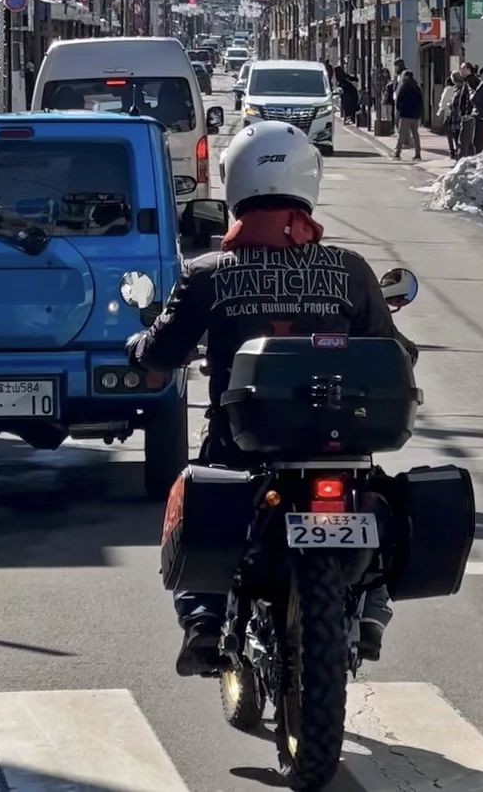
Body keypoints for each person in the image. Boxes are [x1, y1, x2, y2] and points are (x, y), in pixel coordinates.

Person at [127, 120, 416, 676]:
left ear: (233, 184)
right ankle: (373, 609)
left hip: (243, 442)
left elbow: (161, 353)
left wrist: (139, 348)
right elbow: (394, 350)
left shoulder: (210, 274)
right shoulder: (350, 271)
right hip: (337, 444)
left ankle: (205, 622)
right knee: (378, 501)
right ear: (310, 182)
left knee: (202, 503)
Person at [393, 69, 423, 161]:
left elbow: (398, 101)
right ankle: (418, 154)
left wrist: (399, 112)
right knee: (415, 134)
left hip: (405, 114)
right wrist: (419, 113)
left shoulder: (403, 86)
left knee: (402, 134)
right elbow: (421, 101)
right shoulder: (416, 87)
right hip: (415, 115)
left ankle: (397, 153)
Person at [437, 72, 462, 159]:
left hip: (449, 115)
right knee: (458, 134)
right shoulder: (459, 88)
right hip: (459, 115)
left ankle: (452, 151)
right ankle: (457, 150)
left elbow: (443, 103)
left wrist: (441, 111)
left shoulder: (448, 89)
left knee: (450, 134)